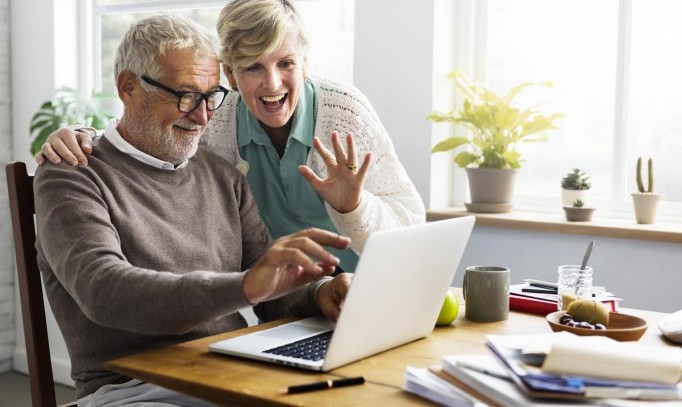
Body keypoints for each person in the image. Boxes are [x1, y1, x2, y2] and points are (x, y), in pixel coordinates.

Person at [34, 14, 352, 406]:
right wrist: (245, 285)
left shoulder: (223, 176)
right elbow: (105, 291)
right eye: (185, 96)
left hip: (229, 373)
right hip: (133, 390)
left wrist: (321, 293)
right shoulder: (72, 175)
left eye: (210, 97)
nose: (202, 116)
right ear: (128, 87)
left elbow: (271, 291)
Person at [36, 0, 425, 273]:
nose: (272, 84)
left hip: (365, 292)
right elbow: (150, 126)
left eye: (286, 63)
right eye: (253, 67)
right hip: (287, 307)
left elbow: (411, 228)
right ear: (229, 74)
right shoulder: (214, 114)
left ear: (305, 62)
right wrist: (80, 134)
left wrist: (354, 207)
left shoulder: (344, 112)